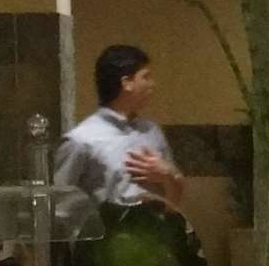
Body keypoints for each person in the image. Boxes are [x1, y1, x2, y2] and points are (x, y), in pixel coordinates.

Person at [52, 44, 187, 238]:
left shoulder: (152, 132)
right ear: (127, 82)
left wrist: (169, 176)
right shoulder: (82, 140)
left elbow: (174, 202)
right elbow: (60, 208)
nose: (152, 84)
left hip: (157, 242)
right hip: (106, 246)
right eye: (146, 77)